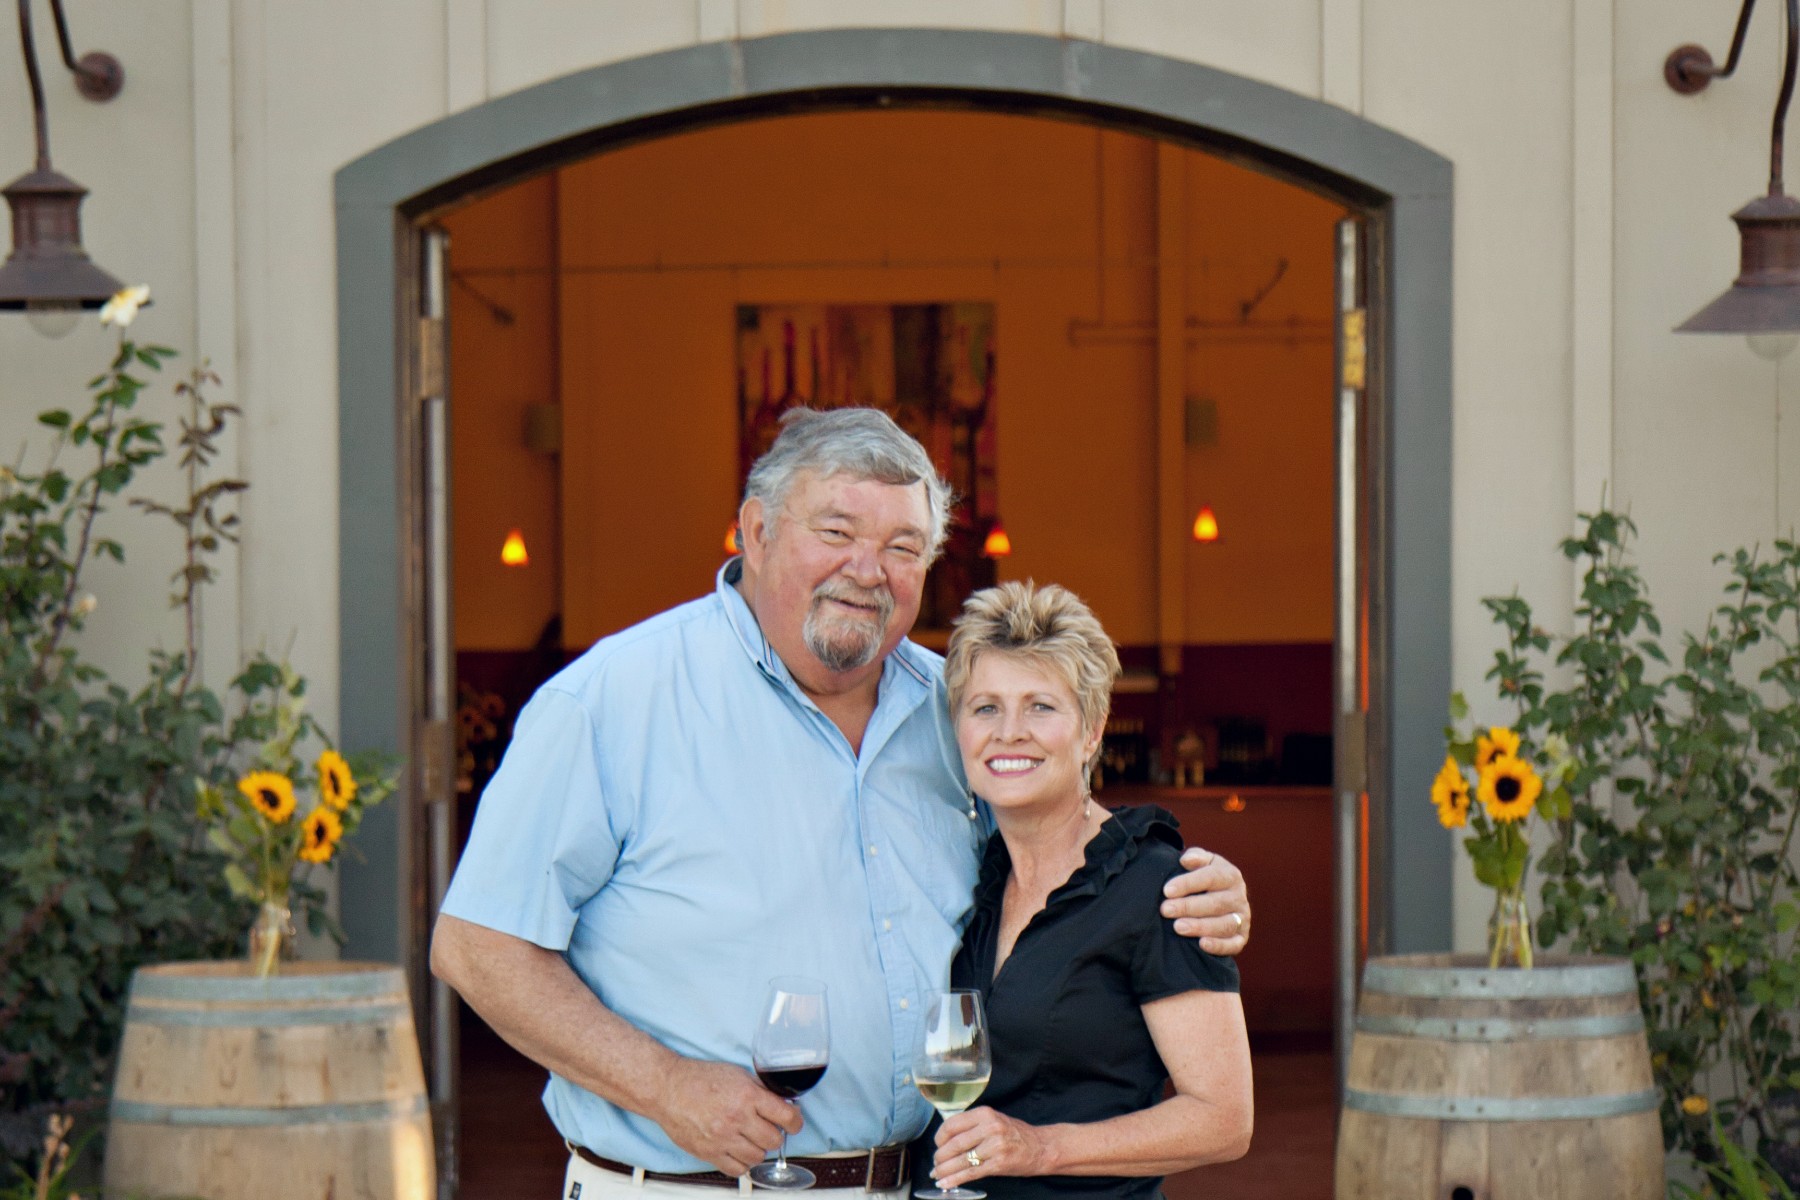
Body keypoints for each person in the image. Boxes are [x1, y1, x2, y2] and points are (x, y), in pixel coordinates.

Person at [430, 407, 1252, 1199]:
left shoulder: (955, 709)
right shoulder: (612, 701)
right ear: (756, 531)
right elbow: (476, 947)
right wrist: (664, 1084)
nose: (869, 569)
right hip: (693, 1192)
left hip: (910, 1185)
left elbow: (1068, 851)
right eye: (837, 533)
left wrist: (1191, 890)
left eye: (903, 546)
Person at [918, 581, 1252, 1200]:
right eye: (984, 707)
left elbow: (1223, 1121)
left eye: (1041, 706)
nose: (1009, 731)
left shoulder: (1158, 886)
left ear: (1092, 730)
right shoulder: (975, 875)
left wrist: (1042, 1148)